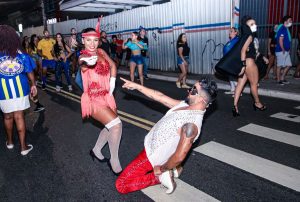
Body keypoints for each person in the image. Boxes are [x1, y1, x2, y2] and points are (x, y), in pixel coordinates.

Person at [115, 77, 217, 194]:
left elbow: (180, 156)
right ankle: (175, 169)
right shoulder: (185, 104)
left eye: (194, 90)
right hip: (150, 148)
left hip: (152, 157)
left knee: (121, 184)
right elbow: (160, 97)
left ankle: (160, 177)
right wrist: (137, 86)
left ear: (202, 99)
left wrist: (161, 169)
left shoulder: (192, 125)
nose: (189, 90)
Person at [79, 19, 123, 175]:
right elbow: (84, 63)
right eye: (89, 40)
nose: (92, 44)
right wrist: (87, 61)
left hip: (106, 96)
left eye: (95, 40)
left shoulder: (101, 52)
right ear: (83, 40)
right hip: (93, 99)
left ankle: (96, 150)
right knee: (116, 125)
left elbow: (113, 65)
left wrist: (112, 82)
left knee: (110, 126)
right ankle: (114, 159)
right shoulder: (83, 56)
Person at [0, 25, 37, 155]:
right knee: (19, 117)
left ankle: (10, 142)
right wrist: (33, 85)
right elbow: (30, 72)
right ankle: (23, 147)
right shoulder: (21, 54)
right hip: (20, 90)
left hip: (2, 92)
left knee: (7, 117)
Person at [232, 15, 267, 117]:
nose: (254, 25)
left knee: (240, 85)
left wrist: (262, 57)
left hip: (245, 63)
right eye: (252, 24)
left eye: (254, 23)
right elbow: (243, 51)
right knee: (254, 84)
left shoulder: (244, 36)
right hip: (249, 63)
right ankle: (257, 103)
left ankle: (235, 106)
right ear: (246, 27)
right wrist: (243, 66)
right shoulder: (250, 36)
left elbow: (249, 51)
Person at [28, 34, 45, 113]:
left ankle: (38, 81)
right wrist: (35, 57)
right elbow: (29, 54)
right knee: (35, 71)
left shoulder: (39, 43)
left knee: (40, 70)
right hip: (34, 58)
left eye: (36, 39)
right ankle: (35, 80)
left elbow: (41, 51)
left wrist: (41, 56)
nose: (36, 40)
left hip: (38, 57)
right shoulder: (31, 45)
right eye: (34, 39)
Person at [275, 15, 293, 85]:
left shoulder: (286, 29)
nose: (291, 22)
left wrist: (287, 50)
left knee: (289, 65)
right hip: (281, 51)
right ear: (285, 22)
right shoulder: (282, 29)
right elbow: (280, 40)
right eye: (290, 20)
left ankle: (282, 78)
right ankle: (278, 80)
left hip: (286, 51)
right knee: (279, 66)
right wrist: (283, 49)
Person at [223, 27, 240, 95]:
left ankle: (238, 91)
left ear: (236, 32)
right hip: (228, 60)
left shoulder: (237, 40)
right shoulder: (230, 41)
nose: (229, 32)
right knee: (230, 75)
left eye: (231, 31)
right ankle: (233, 90)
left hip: (233, 60)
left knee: (234, 76)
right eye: (230, 31)